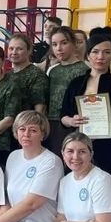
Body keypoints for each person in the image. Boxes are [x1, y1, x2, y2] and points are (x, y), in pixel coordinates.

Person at [60, 27, 111, 175]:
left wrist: (110, 129)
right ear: (88, 55)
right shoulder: (76, 83)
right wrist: (72, 121)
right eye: (95, 52)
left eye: (106, 52)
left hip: (107, 146)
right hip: (78, 144)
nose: (101, 57)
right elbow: (63, 116)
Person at [45, 26, 89, 155]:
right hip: (50, 122)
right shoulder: (53, 70)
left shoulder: (84, 69)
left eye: (64, 43)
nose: (59, 48)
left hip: (71, 122)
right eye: (54, 44)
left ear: (74, 44)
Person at [6, 34, 48, 115]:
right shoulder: (8, 75)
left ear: (29, 51)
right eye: (11, 48)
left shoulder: (36, 75)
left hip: (27, 121)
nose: (14, 52)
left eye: (19, 49)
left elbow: (40, 109)